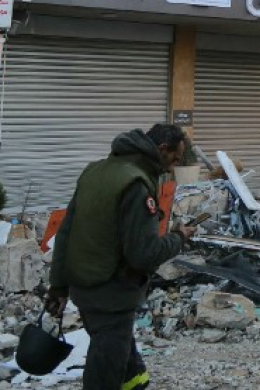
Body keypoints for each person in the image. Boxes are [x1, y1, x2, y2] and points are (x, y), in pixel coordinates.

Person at [46, 125, 198, 390]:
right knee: (104, 370)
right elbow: (144, 255)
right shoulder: (136, 184)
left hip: (84, 289)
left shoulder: (94, 171)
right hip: (113, 293)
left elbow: (65, 233)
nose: (172, 168)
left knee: (125, 360)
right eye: (174, 159)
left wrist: (58, 288)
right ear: (162, 150)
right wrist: (178, 238)